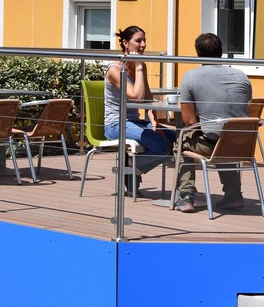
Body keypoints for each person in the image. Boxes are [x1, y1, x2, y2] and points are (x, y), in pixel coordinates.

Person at [174, 33, 252, 213]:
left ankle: (186, 196)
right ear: (221, 52)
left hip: (214, 145)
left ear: (198, 54)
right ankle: (233, 195)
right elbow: (244, 109)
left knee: (184, 139)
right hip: (242, 144)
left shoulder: (191, 77)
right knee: (225, 137)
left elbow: (189, 121)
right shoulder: (241, 76)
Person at [104, 26, 175, 192]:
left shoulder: (139, 67)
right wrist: (139, 67)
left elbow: (148, 99)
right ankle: (131, 167)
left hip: (136, 122)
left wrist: (155, 123)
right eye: (138, 41)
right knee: (163, 146)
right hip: (116, 124)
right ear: (125, 43)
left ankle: (133, 166)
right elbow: (135, 96)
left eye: (144, 41)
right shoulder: (115, 70)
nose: (143, 45)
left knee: (180, 139)